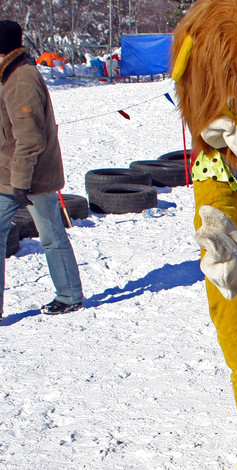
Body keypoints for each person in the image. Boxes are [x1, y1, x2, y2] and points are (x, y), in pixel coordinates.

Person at [0, 19, 84, 318]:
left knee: (50, 236)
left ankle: (69, 294)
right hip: (9, 174)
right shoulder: (8, 75)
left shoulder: (21, 80)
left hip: (32, 177)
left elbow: (30, 138)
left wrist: (21, 181)